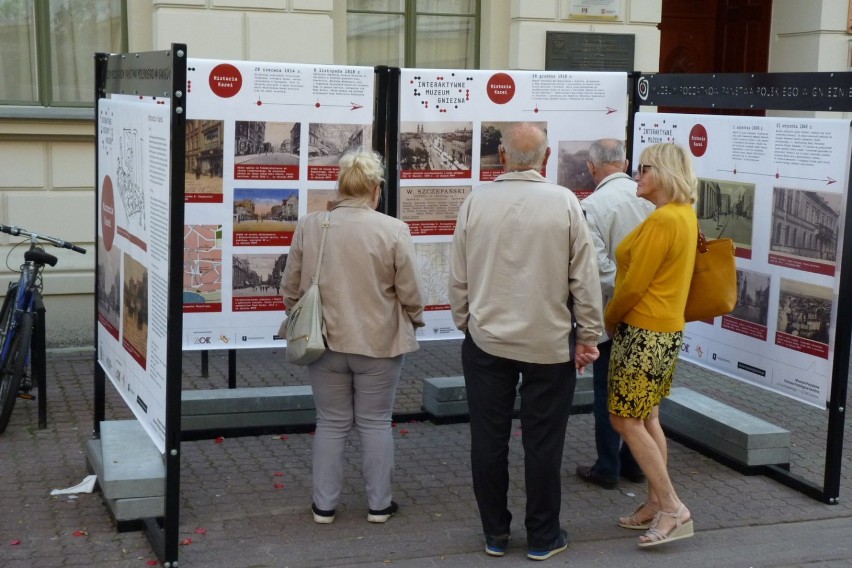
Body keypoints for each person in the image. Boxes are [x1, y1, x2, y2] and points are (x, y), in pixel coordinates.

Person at [449, 122, 603, 561]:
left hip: (486, 340)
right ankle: (542, 535)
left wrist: (466, 321)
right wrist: (588, 336)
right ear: (548, 157)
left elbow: (458, 275)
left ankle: (495, 534)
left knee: (488, 439)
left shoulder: (475, 202)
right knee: (543, 442)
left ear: (501, 156)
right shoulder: (566, 204)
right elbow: (584, 280)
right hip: (548, 343)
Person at [282, 147, 425, 525]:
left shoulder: (311, 225)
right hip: (378, 342)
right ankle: (379, 505)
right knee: (376, 422)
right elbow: (409, 291)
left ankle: (323, 507)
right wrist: (415, 317)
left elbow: (291, 287)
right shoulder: (393, 229)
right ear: (375, 189)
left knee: (330, 422)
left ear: (341, 186)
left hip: (323, 341)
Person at [604, 142, 698, 547]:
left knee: (624, 419)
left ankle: (672, 507)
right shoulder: (681, 214)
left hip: (643, 332)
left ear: (663, 173)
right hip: (665, 331)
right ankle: (656, 501)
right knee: (647, 418)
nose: (636, 175)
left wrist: (607, 321)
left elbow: (632, 287)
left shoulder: (663, 221)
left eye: (643, 169)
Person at [575, 139, 654, 490]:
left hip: (613, 312)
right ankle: (635, 463)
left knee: (607, 391)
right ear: (624, 163)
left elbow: (598, 268)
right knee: (642, 391)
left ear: (593, 168)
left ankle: (607, 466)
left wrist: (624, 294)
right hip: (652, 312)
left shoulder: (592, 205)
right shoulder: (655, 201)